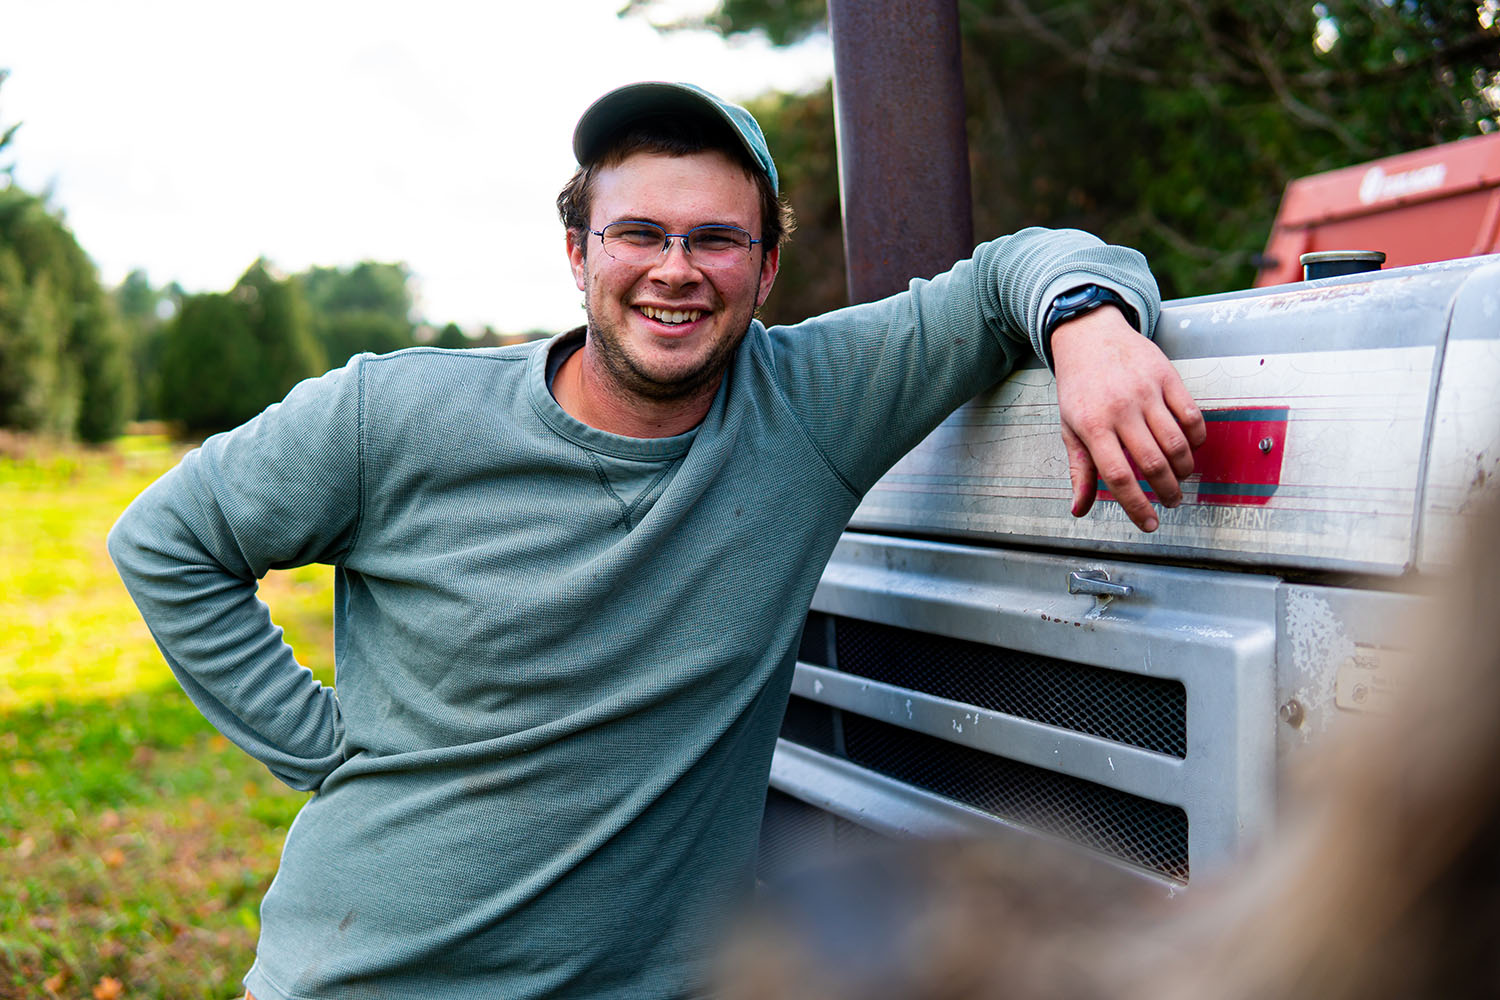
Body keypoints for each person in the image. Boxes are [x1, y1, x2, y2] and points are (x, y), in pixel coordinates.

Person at [108, 81, 1204, 999]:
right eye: (639, 232)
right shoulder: (388, 414)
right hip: (367, 975)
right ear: (579, 252)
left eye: (716, 238)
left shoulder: (807, 409)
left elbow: (1005, 273)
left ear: (766, 270)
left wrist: (1089, 323)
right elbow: (167, 540)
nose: (675, 268)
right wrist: (324, 747)